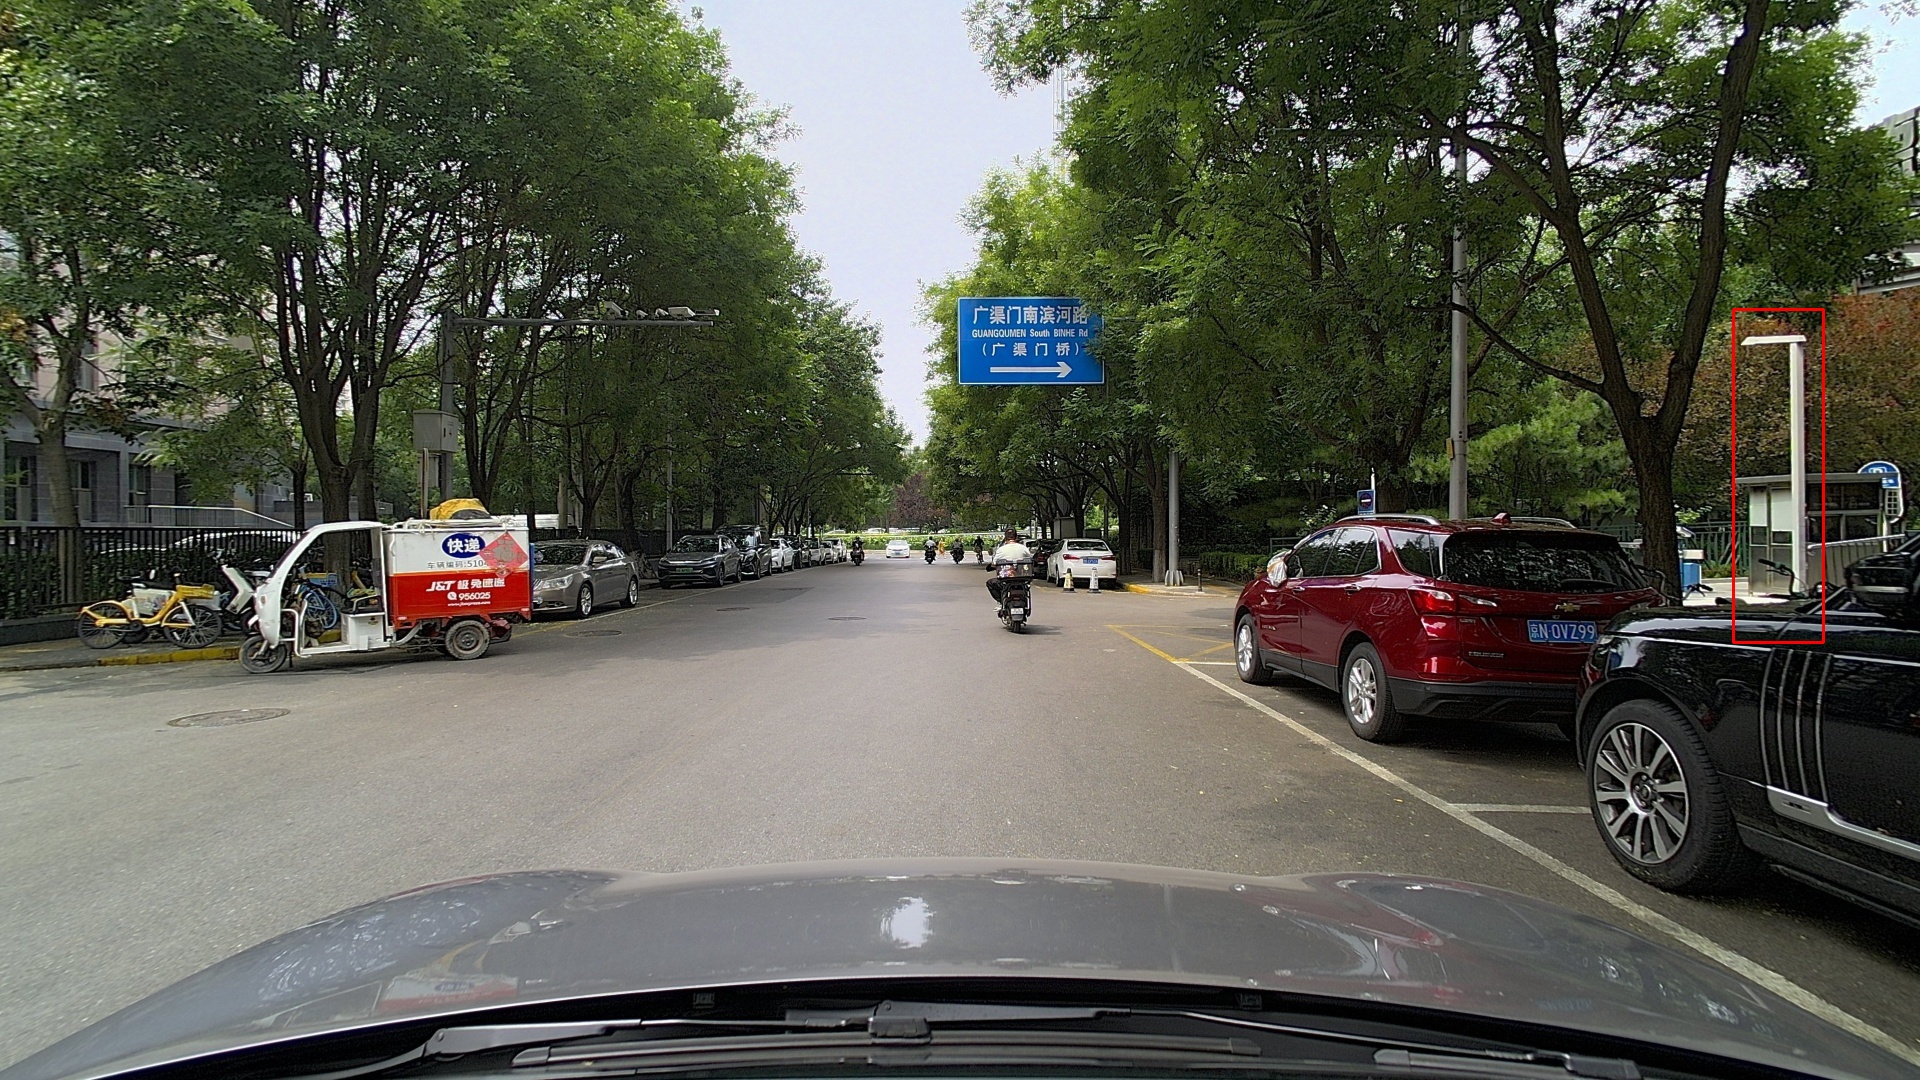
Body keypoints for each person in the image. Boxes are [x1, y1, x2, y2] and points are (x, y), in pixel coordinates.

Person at [986, 529, 1033, 604]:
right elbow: (1030, 559)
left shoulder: (1001, 550)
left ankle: (1001, 602)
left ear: (1005, 538)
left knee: (990, 583)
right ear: (1016, 537)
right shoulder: (1024, 548)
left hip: (1006, 579)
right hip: (1023, 578)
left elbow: (994, 564)